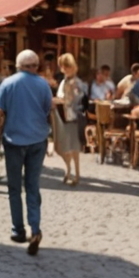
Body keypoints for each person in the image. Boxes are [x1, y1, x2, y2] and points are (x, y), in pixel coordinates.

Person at [0, 51, 54, 255]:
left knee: (14, 186)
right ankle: (35, 228)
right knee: (33, 185)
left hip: (14, 140)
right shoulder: (43, 85)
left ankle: (18, 230)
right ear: (36, 65)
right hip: (37, 140)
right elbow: (47, 110)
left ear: (18, 66)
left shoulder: (7, 84)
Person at [52, 54, 87, 186]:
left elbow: (76, 100)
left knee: (73, 147)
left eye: (67, 66)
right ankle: (68, 169)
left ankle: (76, 174)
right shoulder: (64, 81)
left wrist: (65, 99)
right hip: (61, 116)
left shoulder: (76, 83)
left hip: (72, 117)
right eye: (63, 66)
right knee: (60, 146)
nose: (64, 69)